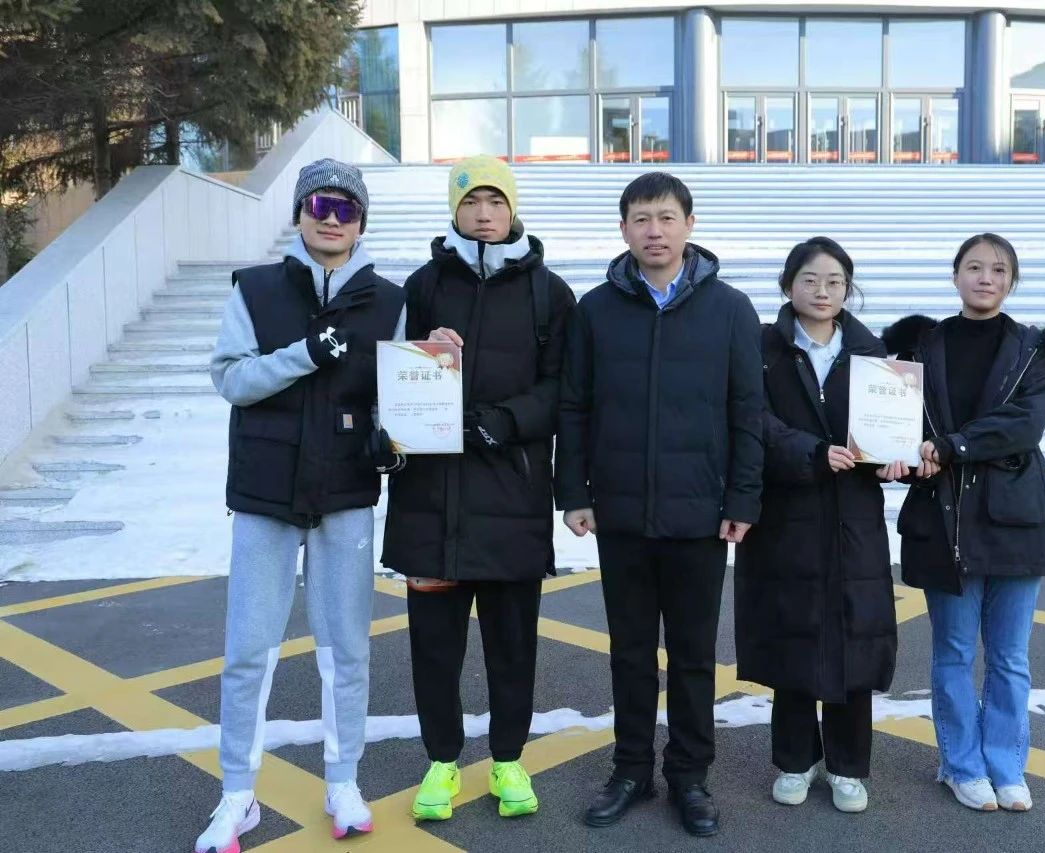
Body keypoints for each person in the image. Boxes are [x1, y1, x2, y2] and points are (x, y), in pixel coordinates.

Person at [200, 159, 407, 853]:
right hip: (266, 491)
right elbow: (232, 379)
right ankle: (237, 793)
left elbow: (396, 398)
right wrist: (304, 353)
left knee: (347, 648)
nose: (332, 218)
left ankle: (343, 780)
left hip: (346, 490)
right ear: (298, 213)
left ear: (361, 222)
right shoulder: (256, 289)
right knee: (248, 649)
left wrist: (398, 430)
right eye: (320, 204)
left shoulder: (389, 300)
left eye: (347, 208)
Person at [556, 171, 764, 837]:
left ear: (689, 225)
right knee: (630, 652)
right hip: (620, 512)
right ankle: (630, 769)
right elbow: (574, 406)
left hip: (700, 513)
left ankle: (690, 776)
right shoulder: (595, 310)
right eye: (641, 219)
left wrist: (743, 496)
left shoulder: (730, 310)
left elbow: (748, 412)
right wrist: (573, 491)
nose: (655, 230)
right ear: (623, 229)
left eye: (667, 217)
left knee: (695, 655)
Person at [381, 155, 576, 823]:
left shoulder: (549, 292)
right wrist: (424, 349)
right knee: (433, 646)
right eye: (471, 201)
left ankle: (508, 759)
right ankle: (441, 761)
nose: (484, 213)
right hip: (430, 498)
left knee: (512, 644)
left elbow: (563, 389)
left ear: (512, 208)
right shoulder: (421, 285)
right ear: (454, 210)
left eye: (495, 200)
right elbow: (393, 376)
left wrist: (504, 421)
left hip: (512, 494)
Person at [881, 233, 1045, 814]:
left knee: (1010, 656)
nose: (985, 277)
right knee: (952, 653)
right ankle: (961, 765)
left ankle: (1007, 766)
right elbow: (896, 421)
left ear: (1011, 281)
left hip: (1014, 517)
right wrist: (897, 454)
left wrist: (951, 445)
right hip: (943, 518)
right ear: (955, 275)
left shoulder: (1036, 349)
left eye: (997, 269)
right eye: (973, 267)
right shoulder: (920, 345)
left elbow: (1023, 425)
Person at [735, 237, 904, 814]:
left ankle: (849, 767)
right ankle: (794, 760)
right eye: (810, 280)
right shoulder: (762, 348)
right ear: (788, 286)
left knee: (855, 638)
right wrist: (809, 452)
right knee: (794, 636)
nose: (822, 291)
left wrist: (894, 459)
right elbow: (750, 417)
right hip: (787, 515)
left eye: (834, 281)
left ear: (847, 289)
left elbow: (888, 431)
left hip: (854, 518)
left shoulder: (872, 352)